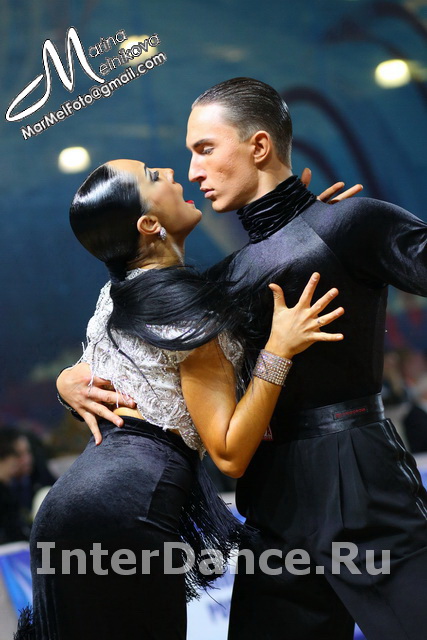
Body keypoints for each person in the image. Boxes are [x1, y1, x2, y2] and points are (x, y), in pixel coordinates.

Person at [59, 78, 427, 640]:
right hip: (273, 502)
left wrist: (329, 222)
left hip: (363, 481)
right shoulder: (219, 282)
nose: (192, 171)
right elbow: (136, 347)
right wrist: (69, 381)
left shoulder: (350, 222)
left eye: (205, 149)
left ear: (258, 146)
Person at [19, 158, 344, 640]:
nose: (172, 173)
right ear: (149, 224)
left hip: (66, 509)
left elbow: (91, 375)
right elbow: (229, 453)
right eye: (154, 176)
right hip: (125, 508)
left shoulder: (118, 293)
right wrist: (279, 350)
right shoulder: (189, 313)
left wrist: (300, 226)